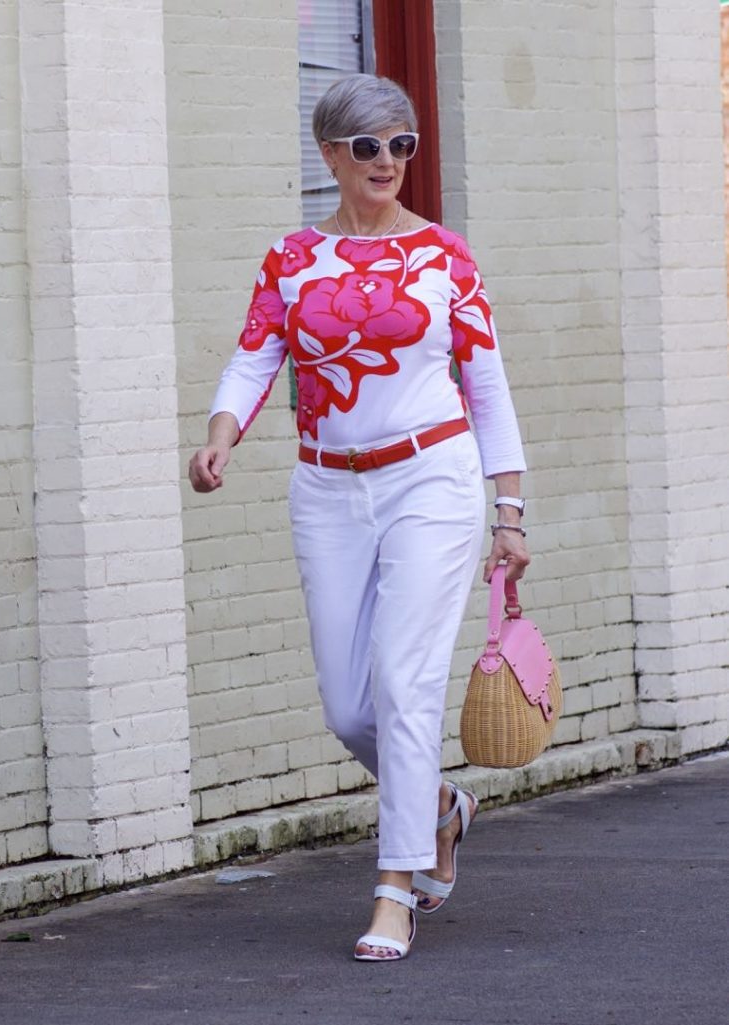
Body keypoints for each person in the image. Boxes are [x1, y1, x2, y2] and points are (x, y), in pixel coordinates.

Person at [189, 73, 530, 962]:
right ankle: (443, 808)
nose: (388, 161)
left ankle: (395, 890)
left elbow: (487, 387)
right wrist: (221, 435)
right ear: (332, 154)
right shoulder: (294, 259)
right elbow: (252, 357)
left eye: (402, 144)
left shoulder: (445, 258)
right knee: (349, 705)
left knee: (405, 680)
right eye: (370, 146)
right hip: (328, 490)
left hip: (433, 482)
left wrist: (511, 510)